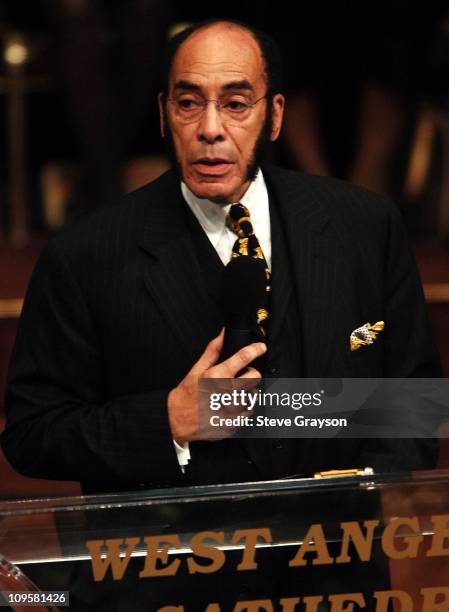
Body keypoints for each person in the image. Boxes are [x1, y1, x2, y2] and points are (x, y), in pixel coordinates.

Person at [1, 18, 441, 496]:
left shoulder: (366, 225)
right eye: (189, 104)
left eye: (235, 104)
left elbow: (415, 402)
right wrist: (169, 420)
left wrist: (356, 498)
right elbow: (34, 432)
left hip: (333, 554)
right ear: (164, 114)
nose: (210, 129)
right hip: (169, 557)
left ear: (274, 116)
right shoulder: (84, 255)